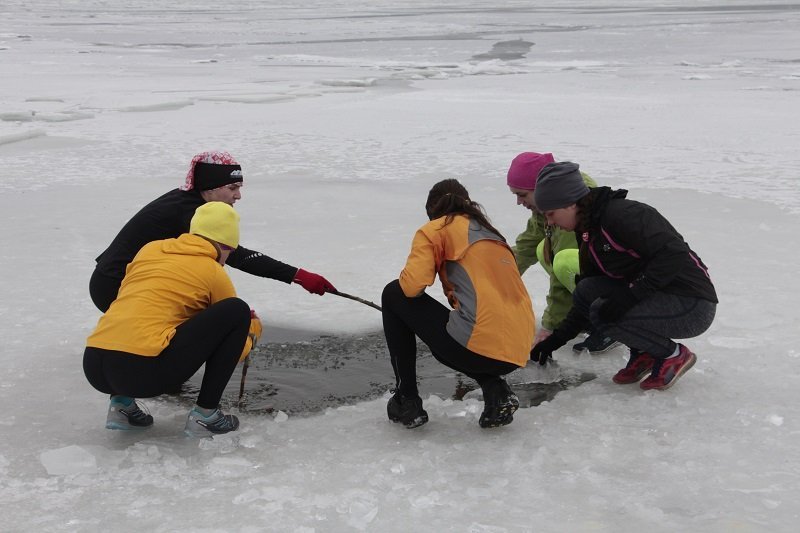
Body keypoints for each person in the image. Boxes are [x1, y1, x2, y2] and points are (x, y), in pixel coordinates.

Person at [528, 162, 718, 391]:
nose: (550, 222)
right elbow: (584, 296)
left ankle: (672, 354)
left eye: (551, 214)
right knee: (589, 291)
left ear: (570, 204)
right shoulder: (588, 230)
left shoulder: (624, 215)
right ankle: (644, 352)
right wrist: (556, 340)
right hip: (659, 297)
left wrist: (630, 295)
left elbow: (673, 253)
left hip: (692, 305)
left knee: (604, 311)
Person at [84, 202, 262, 436]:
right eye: (229, 252)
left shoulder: (150, 251)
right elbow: (230, 344)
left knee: (146, 314)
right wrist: (251, 332)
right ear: (226, 244)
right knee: (237, 310)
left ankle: (121, 406)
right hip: (142, 372)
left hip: (95, 364)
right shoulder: (213, 271)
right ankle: (205, 415)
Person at [89, 150, 335, 312]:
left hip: (127, 281)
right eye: (232, 187)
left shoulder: (190, 202)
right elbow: (236, 255)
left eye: (239, 187)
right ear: (208, 188)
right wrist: (298, 275)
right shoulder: (190, 213)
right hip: (116, 287)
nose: (238, 195)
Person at [381, 179, 535, 429]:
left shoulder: (435, 230)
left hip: (479, 345)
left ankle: (406, 399)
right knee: (450, 335)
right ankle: (495, 389)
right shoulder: (491, 234)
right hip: (518, 350)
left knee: (393, 294)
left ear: (433, 211)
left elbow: (411, 287)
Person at [506, 151, 620, 355]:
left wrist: (551, 327)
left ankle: (609, 324)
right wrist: (497, 279)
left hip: (618, 277)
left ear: (539, 188)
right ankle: (585, 313)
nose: (518, 202)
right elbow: (528, 244)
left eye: (521, 195)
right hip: (599, 273)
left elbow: (560, 273)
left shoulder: (568, 205)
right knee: (543, 249)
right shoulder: (547, 201)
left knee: (563, 260)